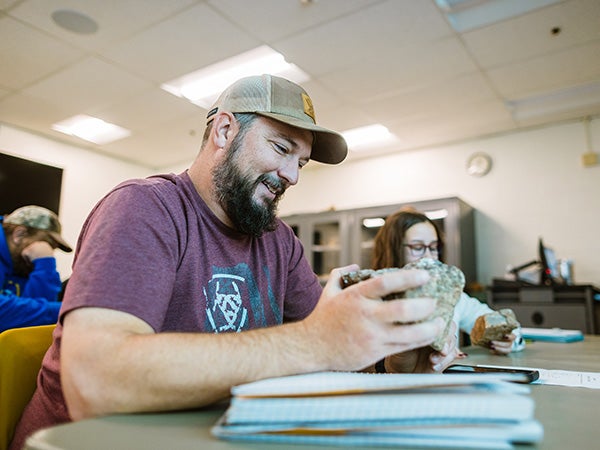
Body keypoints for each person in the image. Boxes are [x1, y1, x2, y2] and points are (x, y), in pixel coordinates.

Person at [10, 75, 456, 450]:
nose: (293, 176)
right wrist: (312, 342)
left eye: (301, 162)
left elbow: (331, 352)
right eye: (282, 149)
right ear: (224, 131)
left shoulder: (279, 240)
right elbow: (97, 383)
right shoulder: (144, 208)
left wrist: (391, 362)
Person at [372, 207, 525, 355]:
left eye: (433, 247)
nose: (429, 257)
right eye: (418, 247)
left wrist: (509, 340)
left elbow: (503, 324)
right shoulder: (371, 298)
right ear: (392, 250)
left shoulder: (451, 297)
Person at [1, 205, 72, 333]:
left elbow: (32, 326)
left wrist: (44, 264)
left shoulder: (20, 264)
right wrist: (69, 311)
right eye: (45, 243)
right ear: (19, 234)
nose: (47, 250)